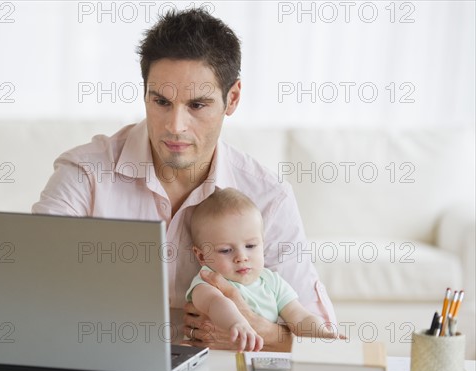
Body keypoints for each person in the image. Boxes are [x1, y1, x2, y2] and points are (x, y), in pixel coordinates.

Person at [32, 8, 337, 351]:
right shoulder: (85, 174)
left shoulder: (268, 197)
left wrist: (259, 330)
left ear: (231, 99)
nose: (175, 126)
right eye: (161, 101)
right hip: (103, 363)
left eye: (197, 105)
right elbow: (29, 291)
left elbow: (328, 344)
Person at [186, 188, 338, 352]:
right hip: (219, 363)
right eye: (225, 250)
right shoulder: (206, 282)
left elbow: (300, 316)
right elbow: (215, 304)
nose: (241, 257)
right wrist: (236, 323)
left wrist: (323, 335)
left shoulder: (272, 281)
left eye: (250, 246)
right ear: (201, 256)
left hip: (263, 361)